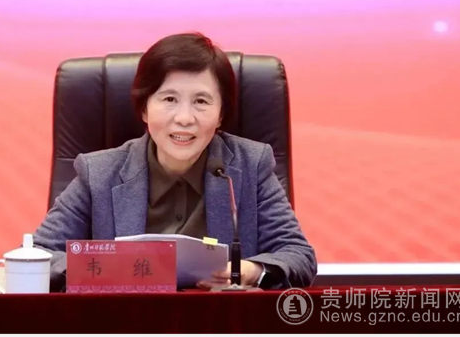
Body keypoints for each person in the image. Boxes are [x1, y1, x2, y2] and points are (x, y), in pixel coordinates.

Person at [32, 32, 317, 292]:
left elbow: (298, 255)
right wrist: (110, 271)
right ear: (145, 109)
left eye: (201, 102)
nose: (184, 118)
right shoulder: (98, 173)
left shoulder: (251, 165)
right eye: (169, 99)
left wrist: (251, 271)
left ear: (220, 115)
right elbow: (39, 255)